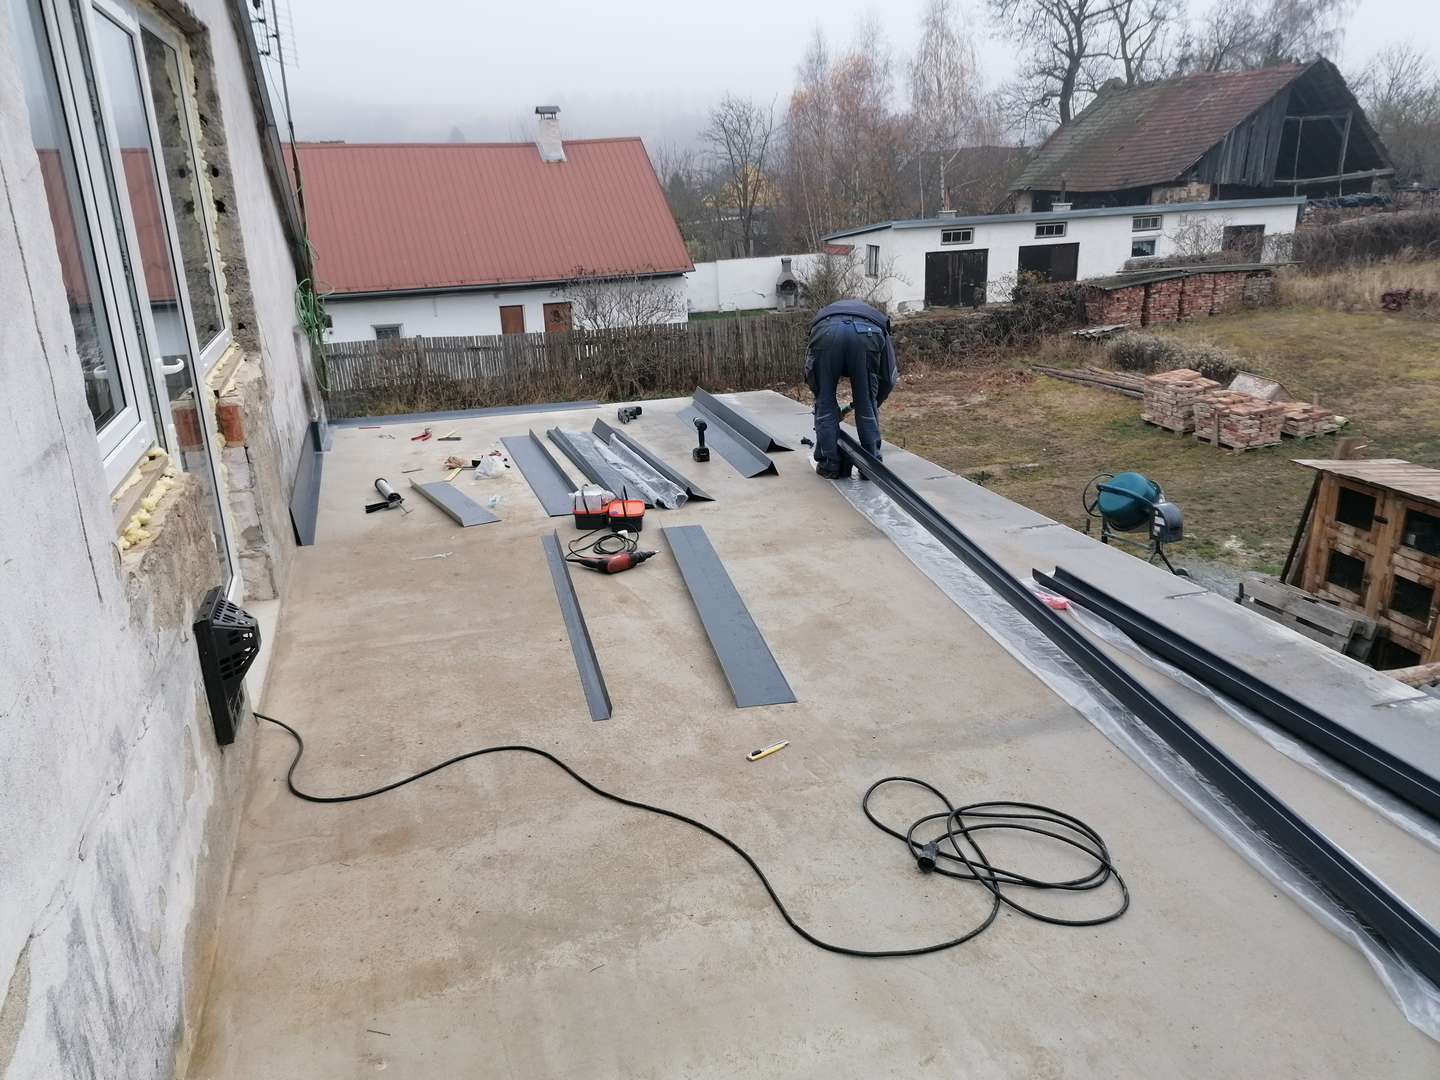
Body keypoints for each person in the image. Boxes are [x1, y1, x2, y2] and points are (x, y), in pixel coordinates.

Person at [804, 299, 899, 479]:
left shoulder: (822, 318)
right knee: (866, 403)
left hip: (825, 331)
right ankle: (871, 466)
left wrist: (820, 397)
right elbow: (888, 377)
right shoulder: (879, 322)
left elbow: (810, 372)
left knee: (825, 402)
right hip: (867, 334)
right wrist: (873, 401)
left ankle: (830, 465)